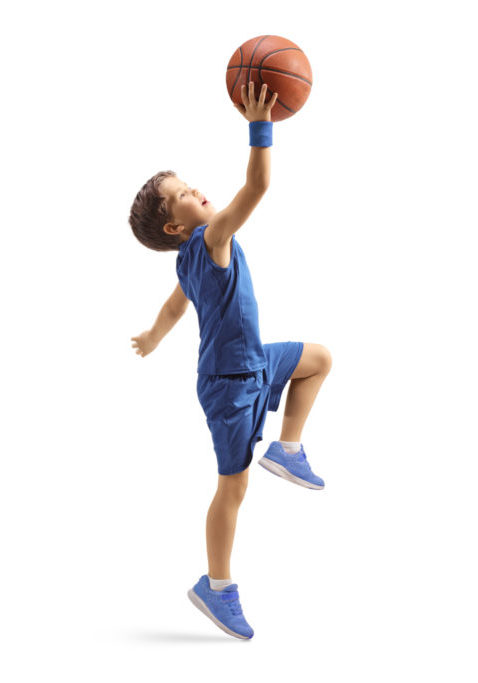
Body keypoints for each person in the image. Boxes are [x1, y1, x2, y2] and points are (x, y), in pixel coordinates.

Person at [128, 81, 333, 640]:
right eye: (184, 194)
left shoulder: (188, 262)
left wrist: (151, 336)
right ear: (178, 226)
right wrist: (260, 125)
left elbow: (174, 310)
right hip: (229, 383)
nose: (197, 191)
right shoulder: (213, 236)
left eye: (189, 184)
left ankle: (287, 448)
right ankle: (215, 588)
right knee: (232, 489)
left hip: (249, 362)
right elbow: (259, 184)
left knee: (317, 358)